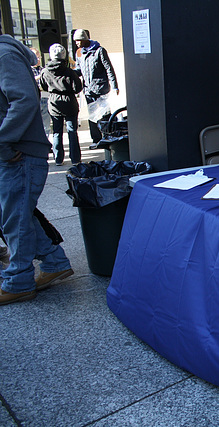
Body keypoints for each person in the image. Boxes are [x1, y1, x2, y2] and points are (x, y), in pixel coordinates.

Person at [0, 23, 74, 305]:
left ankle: (18, 280)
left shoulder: (4, 55)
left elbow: (24, 100)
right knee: (18, 215)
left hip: (18, 153)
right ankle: (55, 262)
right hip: (15, 150)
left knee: (15, 219)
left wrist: (4, 143)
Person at [73, 29, 119, 147]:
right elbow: (79, 69)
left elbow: (109, 68)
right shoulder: (79, 53)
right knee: (92, 116)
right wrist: (69, 74)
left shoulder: (99, 50)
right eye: (75, 41)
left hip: (101, 88)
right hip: (88, 90)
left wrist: (114, 86)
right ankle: (96, 139)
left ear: (84, 39)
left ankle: (108, 136)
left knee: (104, 114)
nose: (77, 43)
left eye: (78, 40)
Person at [39, 43, 83, 166]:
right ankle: (75, 159)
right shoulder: (69, 72)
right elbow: (77, 87)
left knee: (57, 132)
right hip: (69, 102)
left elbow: (43, 86)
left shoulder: (45, 71)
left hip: (54, 102)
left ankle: (58, 159)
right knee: (72, 131)